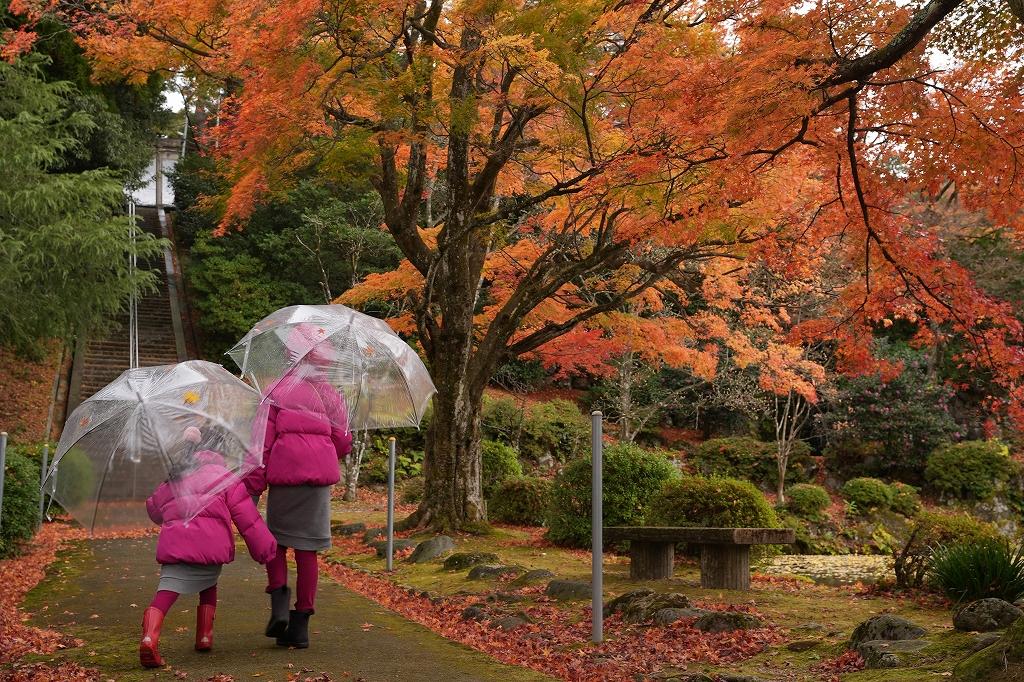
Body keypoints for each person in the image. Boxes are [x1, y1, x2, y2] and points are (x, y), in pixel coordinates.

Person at [246, 324, 353, 649]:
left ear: (289, 356)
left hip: (284, 478)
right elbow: (344, 443)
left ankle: (279, 599)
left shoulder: (276, 391)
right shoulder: (332, 395)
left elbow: (261, 444)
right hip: (317, 485)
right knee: (308, 551)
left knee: (276, 542)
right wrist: (319, 452)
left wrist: (254, 486)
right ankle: (301, 625)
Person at [140, 426, 277, 668]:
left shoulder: (177, 475)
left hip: (176, 548)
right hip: (210, 549)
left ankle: (149, 637)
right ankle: (204, 635)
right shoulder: (226, 478)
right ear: (220, 450)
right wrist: (265, 550)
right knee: (209, 583)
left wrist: (168, 485)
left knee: (167, 591)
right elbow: (248, 519)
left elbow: (154, 510)